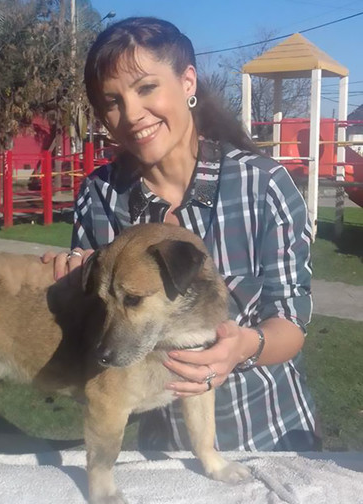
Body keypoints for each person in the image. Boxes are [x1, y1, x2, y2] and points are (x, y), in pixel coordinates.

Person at [43, 16, 320, 452]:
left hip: (272, 437)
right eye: (113, 101)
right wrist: (71, 283)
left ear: (188, 81)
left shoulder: (263, 185)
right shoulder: (100, 195)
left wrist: (244, 346)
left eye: (146, 88)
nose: (131, 114)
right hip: (165, 447)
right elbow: (102, 322)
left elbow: (291, 321)